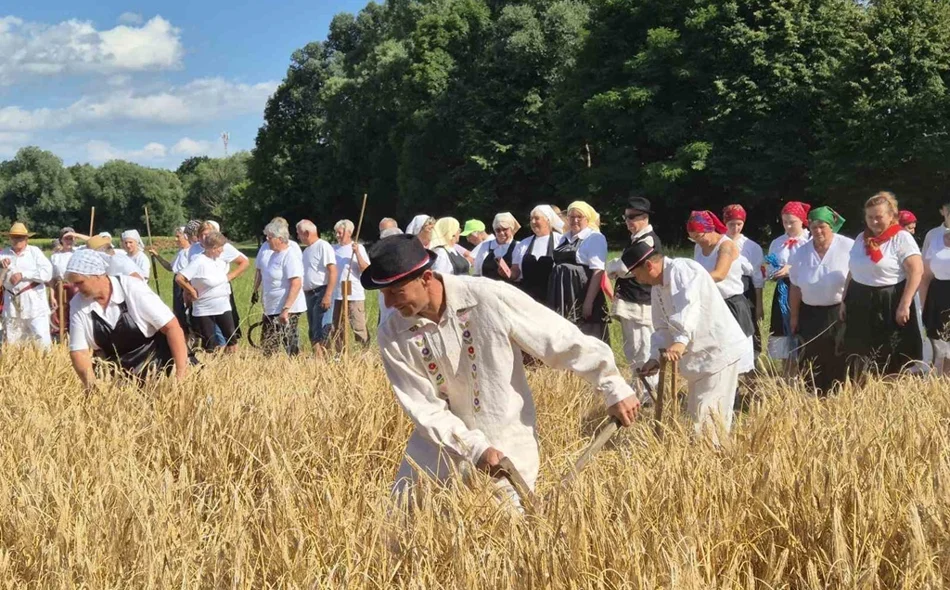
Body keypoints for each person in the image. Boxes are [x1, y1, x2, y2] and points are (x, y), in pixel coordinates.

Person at [366, 234, 639, 503]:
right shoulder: (392, 334)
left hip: (505, 445)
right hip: (437, 454)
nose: (388, 303)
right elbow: (424, 407)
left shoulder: (487, 297)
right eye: (383, 293)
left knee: (507, 525)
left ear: (426, 278)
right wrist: (475, 448)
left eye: (395, 292)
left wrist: (612, 384)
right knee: (407, 524)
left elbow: (557, 338)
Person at [628, 240, 747, 445]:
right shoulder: (657, 287)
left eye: (636, 274)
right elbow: (662, 326)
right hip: (699, 359)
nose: (638, 280)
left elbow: (689, 306)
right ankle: (706, 457)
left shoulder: (683, 270)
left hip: (717, 352)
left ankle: (714, 458)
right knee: (698, 416)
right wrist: (655, 358)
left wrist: (681, 340)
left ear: (649, 265)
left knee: (710, 418)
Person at [66, 249, 190, 389]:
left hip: (157, 368)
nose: (76, 288)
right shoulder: (77, 303)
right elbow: (79, 351)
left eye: (80, 282)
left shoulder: (132, 287)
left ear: (98, 275)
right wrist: (92, 387)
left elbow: (172, 328)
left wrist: (181, 374)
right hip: (115, 379)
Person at [843, 191, 924, 379]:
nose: (874, 221)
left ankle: (891, 390)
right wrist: (844, 300)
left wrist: (905, 304)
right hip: (860, 299)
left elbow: (916, 271)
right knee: (861, 350)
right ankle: (866, 390)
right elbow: (852, 271)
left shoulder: (901, 238)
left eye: (879, 217)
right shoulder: (861, 238)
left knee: (890, 351)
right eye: (869, 217)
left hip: (889, 300)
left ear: (891, 216)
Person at [788, 207, 854, 394]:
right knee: (811, 355)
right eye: (814, 227)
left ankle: (839, 394)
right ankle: (814, 396)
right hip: (810, 312)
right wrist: (794, 316)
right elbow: (795, 286)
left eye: (822, 226)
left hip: (839, 311)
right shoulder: (801, 252)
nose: (818, 231)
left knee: (838, 354)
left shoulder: (847, 246)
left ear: (831, 226)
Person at [604, 197, 660, 401]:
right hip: (632, 302)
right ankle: (640, 391)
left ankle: (649, 396)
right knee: (633, 349)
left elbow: (623, 267)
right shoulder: (636, 239)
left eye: (633, 217)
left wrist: (614, 267)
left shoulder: (648, 240)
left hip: (641, 303)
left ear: (645, 217)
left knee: (643, 349)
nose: (628, 221)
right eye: (626, 217)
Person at [688, 211, 755, 375]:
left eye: (699, 236)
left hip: (731, 304)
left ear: (709, 229)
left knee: (737, 356)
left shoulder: (726, 246)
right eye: (693, 238)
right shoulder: (698, 247)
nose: (697, 241)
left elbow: (719, 274)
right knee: (717, 355)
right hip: (711, 304)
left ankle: (744, 388)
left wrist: (691, 281)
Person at [550, 201, 610, 342]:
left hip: (581, 292)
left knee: (586, 335)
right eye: (571, 217)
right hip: (562, 293)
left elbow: (598, 271)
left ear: (587, 219)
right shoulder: (564, 238)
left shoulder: (594, 238)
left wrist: (588, 301)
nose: (574, 220)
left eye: (579, 217)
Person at [175, 232, 240, 353]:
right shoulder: (199, 261)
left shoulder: (219, 260)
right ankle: (212, 362)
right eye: (221, 248)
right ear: (213, 248)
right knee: (210, 343)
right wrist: (191, 290)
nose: (222, 251)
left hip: (223, 305)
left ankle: (232, 362)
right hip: (204, 308)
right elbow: (179, 278)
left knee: (232, 339)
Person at [766, 201, 812, 361]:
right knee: (782, 328)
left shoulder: (809, 240)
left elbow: (812, 264)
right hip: (782, 290)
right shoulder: (777, 242)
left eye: (792, 222)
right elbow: (769, 267)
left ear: (802, 220)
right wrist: (773, 273)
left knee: (800, 325)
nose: (788, 226)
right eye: (785, 222)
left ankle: (802, 366)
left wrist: (791, 269)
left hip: (803, 288)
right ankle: (786, 367)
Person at [0, 223, 53, 349]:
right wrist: (2, 268)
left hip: (34, 302)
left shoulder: (35, 252)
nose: (17, 240)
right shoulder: (3, 254)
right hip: (11, 302)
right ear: (10, 238)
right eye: (14, 237)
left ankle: (45, 361)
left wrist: (23, 274)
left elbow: (47, 273)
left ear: (26, 239)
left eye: (20, 237)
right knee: (13, 340)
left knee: (41, 338)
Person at [723, 205, 765, 354]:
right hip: (724, 289)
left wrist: (759, 305)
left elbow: (758, 277)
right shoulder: (718, 243)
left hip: (746, 290)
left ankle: (753, 358)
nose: (735, 228)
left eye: (739, 224)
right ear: (725, 223)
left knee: (748, 325)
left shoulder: (752, 247)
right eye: (731, 224)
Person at [260, 221, 307, 355]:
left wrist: (286, 310)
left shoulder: (290, 256)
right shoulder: (273, 255)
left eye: (270, 237)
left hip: (286, 309)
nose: (267, 239)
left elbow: (296, 283)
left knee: (289, 344)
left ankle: (294, 365)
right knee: (268, 345)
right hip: (272, 307)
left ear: (280, 239)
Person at [297, 219, 338, 356]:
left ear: (306, 233)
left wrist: (328, 295)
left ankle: (325, 357)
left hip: (321, 291)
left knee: (321, 327)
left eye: (299, 233)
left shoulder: (323, 246)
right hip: (309, 294)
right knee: (313, 328)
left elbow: (332, 271)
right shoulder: (306, 251)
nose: (298, 237)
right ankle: (318, 358)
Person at [512, 205, 563, 305]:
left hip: (552, 296)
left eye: (537, 218)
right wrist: (507, 273)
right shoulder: (523, 244)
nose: (533, 222)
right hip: (527, 297)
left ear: (548, 220)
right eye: (531, 219)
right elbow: (515, 271)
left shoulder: (561, 241)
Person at [332, 219, 371, 347]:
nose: (337, 235)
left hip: (354, 293)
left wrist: (357, 253)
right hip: (337, 294)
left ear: (349, 232)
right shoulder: (333, 249)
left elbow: (365, 269)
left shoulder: (358, 247)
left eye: (340, 233)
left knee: (358, 325)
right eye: (336, 233)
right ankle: (340, 354)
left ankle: (364, 352)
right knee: (337, 327)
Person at [149, 227, 193, 338]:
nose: (176, 239)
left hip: (185, 282)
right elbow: (170, 267)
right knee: (178, 311)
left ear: (186, 236)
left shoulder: (191, 252)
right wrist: (157, 256)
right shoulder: (180, 252)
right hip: (177, 283)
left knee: (187, 311)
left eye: (178, 236)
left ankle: (191, 335)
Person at [920, 223, 950, 375]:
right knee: (940, 349)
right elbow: (925, 277)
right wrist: (921, 307)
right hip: (938, 297)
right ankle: (939, 384)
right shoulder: (936, 240)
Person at [50, 227, 81, 341]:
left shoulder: (79, 252)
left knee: (76, 313)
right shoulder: (55, 257)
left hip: (76, 287)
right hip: (60, 287)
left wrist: (76, 234)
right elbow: (52, 278)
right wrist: (52, 296)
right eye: (66, 238)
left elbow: (92, 242)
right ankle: (60, 341)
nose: (69, 241)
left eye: (71, 238)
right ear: (61, 240)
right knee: (59, 314)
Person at [474, 213, 521, 285]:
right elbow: (477, 271)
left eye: (505, 229)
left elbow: (519, 274)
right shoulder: (485, 246)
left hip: (509, 289)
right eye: (498, 230)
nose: (501, 233)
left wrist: (508, 274)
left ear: (511, 229)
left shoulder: (518, 246)